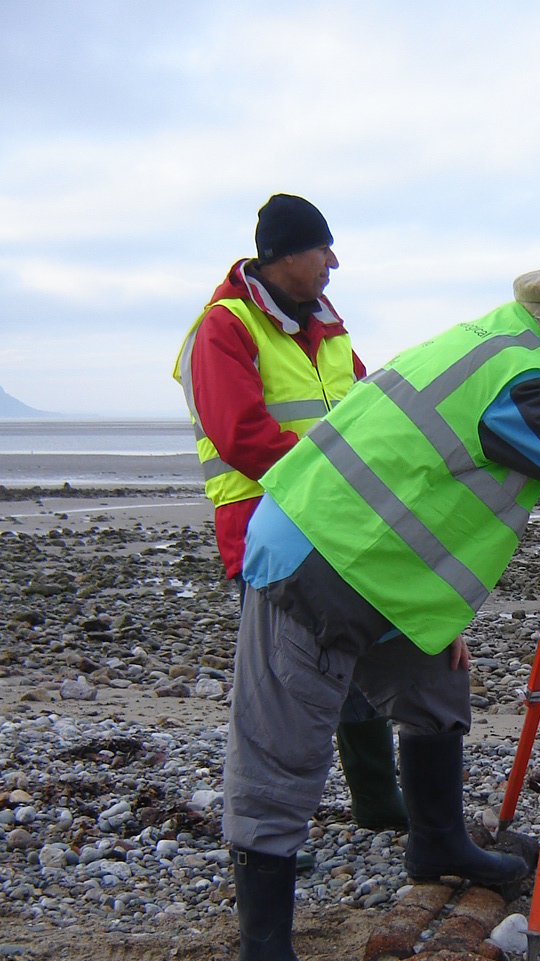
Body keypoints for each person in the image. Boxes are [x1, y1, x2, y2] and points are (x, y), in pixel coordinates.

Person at [222, 266, 540, 961]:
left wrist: (435, 613)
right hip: (314, 556)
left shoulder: (497, 346)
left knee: (435, 685)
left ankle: (437, 844)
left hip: (374, 563)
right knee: (282, 752)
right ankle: (263, 956)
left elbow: (427, 480)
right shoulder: (524, 382)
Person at [172, 194, 406, 832]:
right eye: (322, 248)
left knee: (353, 666)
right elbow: (242, 436)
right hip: (263, 538)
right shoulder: (224, 326)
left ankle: (380, 806)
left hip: (340, 530)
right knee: (276, 688)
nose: (333, 262)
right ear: (283, 255)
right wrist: (344, 482)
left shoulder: (327, 322)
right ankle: (267, 831)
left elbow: (370, 413)